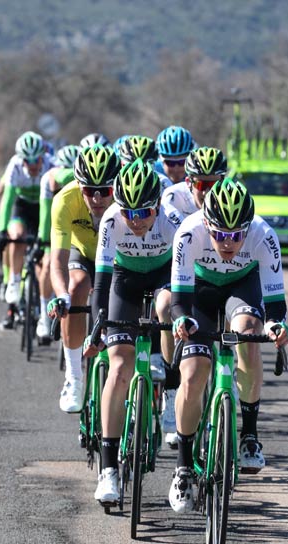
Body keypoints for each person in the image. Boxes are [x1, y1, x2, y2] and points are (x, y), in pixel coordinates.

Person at [167, 178, 288, 512]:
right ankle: (183, 466)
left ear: (248, 228)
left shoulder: (264, 235)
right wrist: (182, 320)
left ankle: (249, 435)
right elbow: (179, 301)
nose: (228, 243)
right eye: (220, 234)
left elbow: (275, 303)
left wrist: (276, 326)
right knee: (194, 373)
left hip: (242, 286)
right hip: (200, 291)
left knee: (249, 335)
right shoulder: (189, 232)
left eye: (237, 236)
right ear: (207, 224)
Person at [84, 160, 177, 504]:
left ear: (158, 206)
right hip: (124, 281)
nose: (135, 220)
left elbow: (187, 278)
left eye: (144, 212)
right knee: (119, 368)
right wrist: (98, 327)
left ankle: (170, 387)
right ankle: (108, 470)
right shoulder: (111, 220)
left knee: (166, 307)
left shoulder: (173, 221)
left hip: (165, 276)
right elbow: (101, 282)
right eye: (129, 213)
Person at [157, 146, 229, 445]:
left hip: (218, 269)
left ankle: (228, 380)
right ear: (189, 182)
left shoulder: (232, 199)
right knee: (165, 306)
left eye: (214, 183)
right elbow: (177, 243)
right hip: (178, 264)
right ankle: (172, 384)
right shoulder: (172, 198)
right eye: (201, 183)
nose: (207, 190)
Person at [48, 144, 120, 412]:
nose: (98, 198)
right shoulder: (64, 201)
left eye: (105, 191)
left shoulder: (126, 201)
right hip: (82, 252)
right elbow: (57, 261)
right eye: (90, 190)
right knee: (76, 286)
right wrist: (61, 296)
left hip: (116, 257)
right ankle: (74, 378)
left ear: (116, 187)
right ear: (79, 185)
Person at [0, 131, 52, 329]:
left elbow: (52, 207)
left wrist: (44, 238)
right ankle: (13, 281)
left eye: (37, 159)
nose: (33, 165)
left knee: (45, 256)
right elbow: (7, 199)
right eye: (28, 160)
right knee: (16, 236)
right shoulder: (15, 166)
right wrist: (1, 231)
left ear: (43, 156)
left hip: (45, 210)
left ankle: (43, 308)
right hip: (23, 208)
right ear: (21, 160)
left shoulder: (51, 165)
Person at [35, 144, 80, 342]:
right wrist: (43, 241)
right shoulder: (49, 178)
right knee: (48, 264)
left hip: (76, 229)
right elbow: (45, 216)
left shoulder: (82, 184)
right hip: (54, 226)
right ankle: (44, 318)